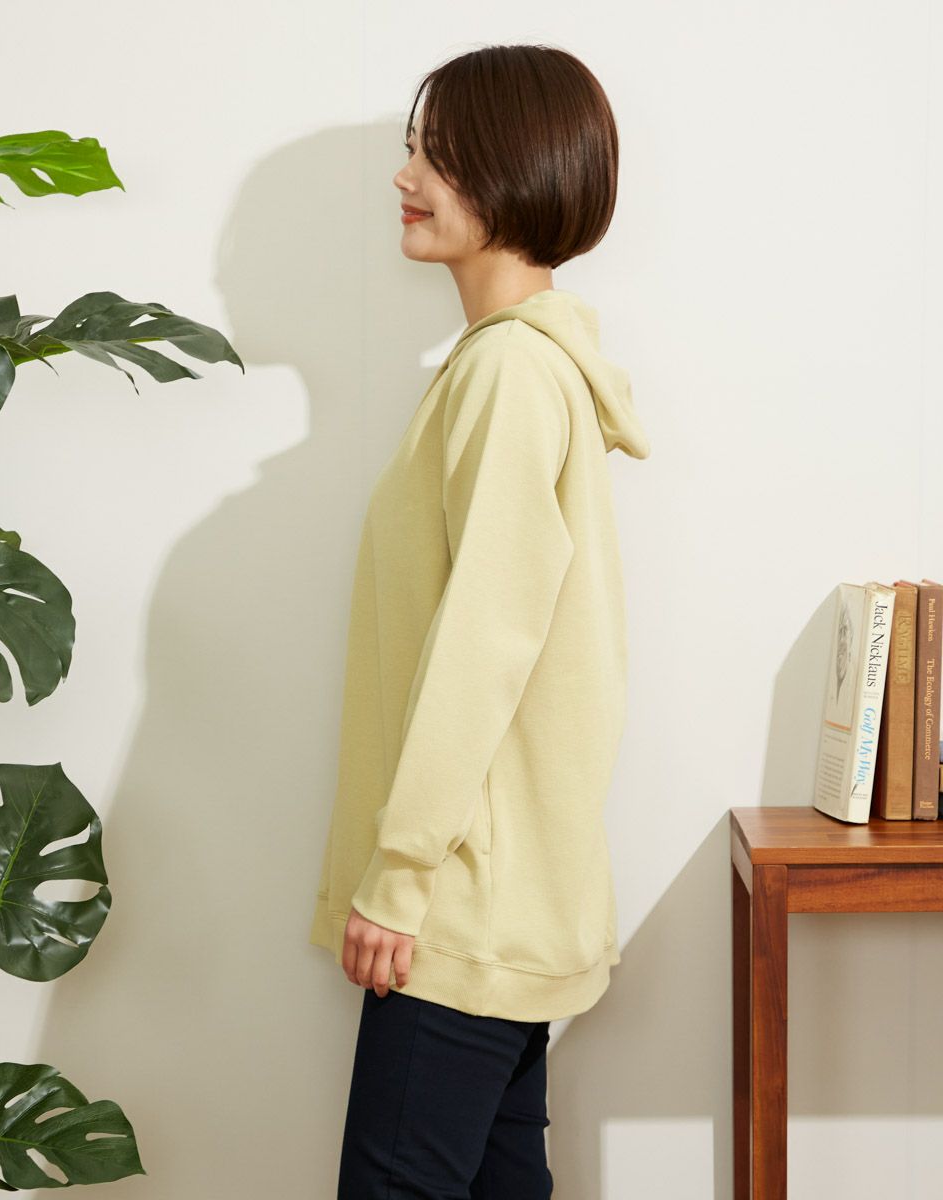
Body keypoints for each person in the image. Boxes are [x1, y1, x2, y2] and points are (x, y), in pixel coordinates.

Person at [308, 41, 652, 1199]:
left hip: (460, 903)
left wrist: (400, 874)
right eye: (413, 147)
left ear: (517, 167)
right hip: (505, 896)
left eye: (438, 153)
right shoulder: (515, 368)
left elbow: (484, 649)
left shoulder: (509, 376)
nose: (405, 176)